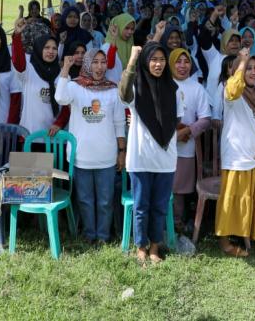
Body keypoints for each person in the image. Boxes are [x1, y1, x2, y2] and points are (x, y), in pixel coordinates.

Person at [54, 48, 126, 245]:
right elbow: (60, 97)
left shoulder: (113, 89)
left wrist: (121, 152)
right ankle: (89, 234)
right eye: (95, 62)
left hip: (107, 156)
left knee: (105, 201)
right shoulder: (75, 87)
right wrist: (65, 69)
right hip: (81, 157)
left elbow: (120, 123)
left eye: (103, 62)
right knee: (85, 200)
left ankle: (103, 236)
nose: (99, 67)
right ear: (86, 64)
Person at [119, 42, 182, 264]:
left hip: (165, 159)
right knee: (141, 206)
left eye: (162, 60)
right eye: (153, 60)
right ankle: (141, 247)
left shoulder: (174, 90)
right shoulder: (136, 87)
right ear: (146, 62)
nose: (158, 64)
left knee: (159, 206)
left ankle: (155, 247)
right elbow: (123, 93)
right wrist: (132, 60)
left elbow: (177, 119)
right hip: (140, 158)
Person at [215, 48, 255, 256]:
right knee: (233, 199)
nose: (253, 71)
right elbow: (234, 87)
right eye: (248, 68)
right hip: (237, 157)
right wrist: (241, 61)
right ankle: (225, 241)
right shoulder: (231, 91)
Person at [168, 47, 211, 231]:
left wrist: (187, 131)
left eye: (186, 62)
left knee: (179, 188)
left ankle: (177, 223)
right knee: (164, 186)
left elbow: (206, 119)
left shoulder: (197, 87)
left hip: (185, 146)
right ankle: (163, 224)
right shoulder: (163, 84)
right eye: (178, 61)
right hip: (163, 144)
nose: (183, 66)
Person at [11, 22, 60, 145]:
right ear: (39, 48)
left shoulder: (62, 74)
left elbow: (66, 107)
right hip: (30, 136)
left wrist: (59, 124)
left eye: (54, 48)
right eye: (46, 48)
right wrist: (17, 35)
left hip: (53, 138)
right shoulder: (29, 70)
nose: (51, 51)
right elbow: (18, 61)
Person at [103, 13, 136, 83]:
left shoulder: (130, 45)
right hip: (110, 89)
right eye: (126, 28)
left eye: (132, 29)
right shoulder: (106, 46)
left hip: (126, 88)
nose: (130, 32)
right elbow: (109, 65)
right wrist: (114, 38)